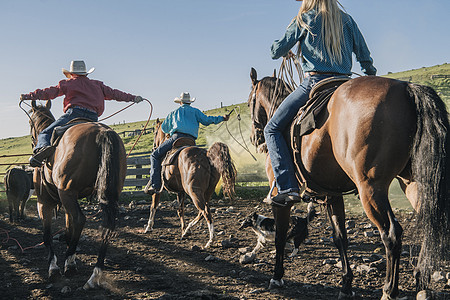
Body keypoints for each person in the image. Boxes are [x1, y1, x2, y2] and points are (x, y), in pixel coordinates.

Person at [264, 0, 377, 206]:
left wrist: (285, 47)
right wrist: (371, 77)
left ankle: (288, 187)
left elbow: (275, 51)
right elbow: (364, 56)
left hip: (315, 83)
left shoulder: (305, 19)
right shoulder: (347, 20)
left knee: (271, 129)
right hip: (345, 82)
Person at [20, 60, 144, 167]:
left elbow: (49, 92)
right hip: (93, 118)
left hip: (73, 114)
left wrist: (28, 96)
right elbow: (116, 94)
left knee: (45, 132)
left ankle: (41, 152)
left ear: (71, 73)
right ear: (85, 73)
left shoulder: (68, 83)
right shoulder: (98, 85)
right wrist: (133, 98)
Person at [144, 92, 229, 195]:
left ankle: (155, 185)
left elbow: (164, 128)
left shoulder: (174, 113)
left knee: (155, 156)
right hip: (191, 141)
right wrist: (222, 118)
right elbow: (207, 120)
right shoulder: (196, 112)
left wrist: (171, 129)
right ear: (189, 102)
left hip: (176, 138)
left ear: (180, 102)